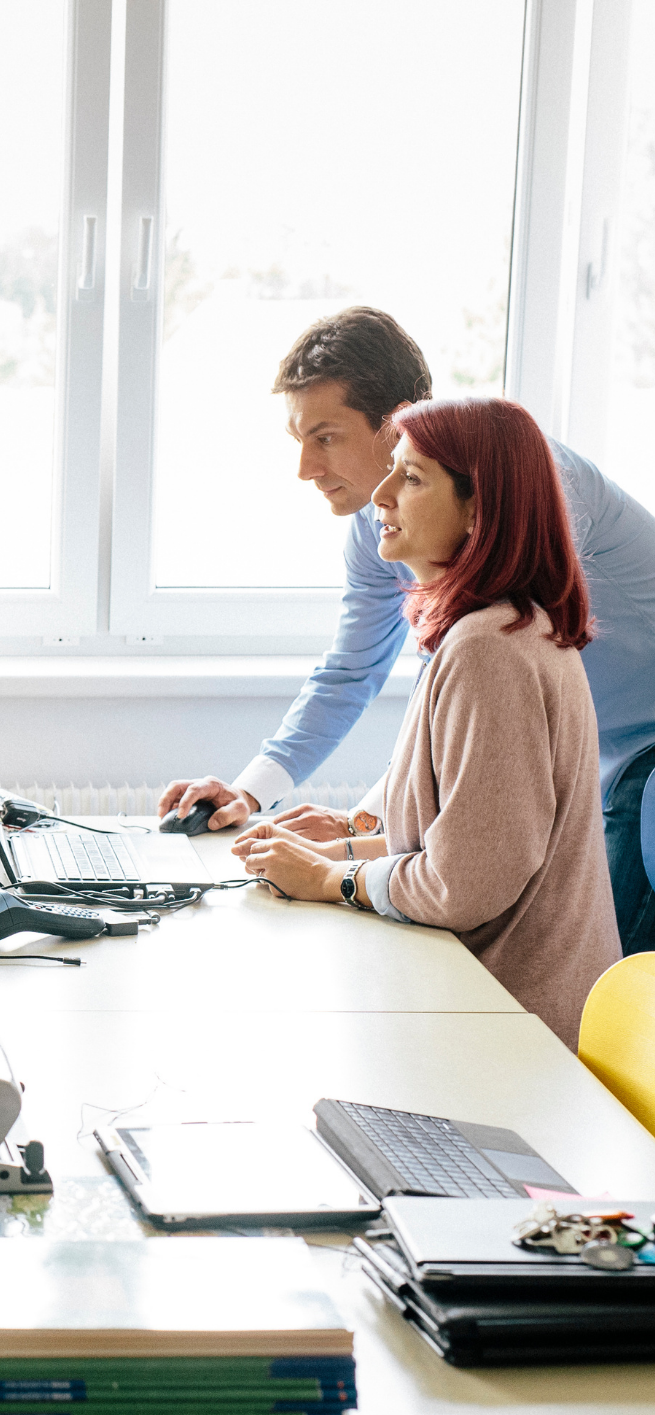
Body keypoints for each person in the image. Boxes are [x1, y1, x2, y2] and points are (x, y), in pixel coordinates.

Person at [158, 308, 655, 955]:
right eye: (298, 437)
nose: (306, 467)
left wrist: (356, 846)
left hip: (639, 750)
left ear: (393, 421)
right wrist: (250, 794)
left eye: (326, 436)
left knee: (596, 968)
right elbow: (354, 671)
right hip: (590, 750)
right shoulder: (383, 530)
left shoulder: (521, 492)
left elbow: (470, 677)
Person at [233, 399, 618, 1049]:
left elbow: (463, 883)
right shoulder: (500, 629)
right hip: (490, 1011)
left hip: (510, 1035)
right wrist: (329, 850)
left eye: (410, 478)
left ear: (480, 509)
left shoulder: (490, 650)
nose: (379, 494)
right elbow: (458, 845)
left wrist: (333, 879)